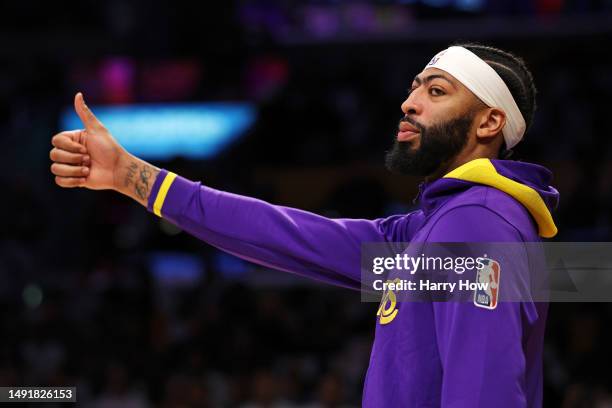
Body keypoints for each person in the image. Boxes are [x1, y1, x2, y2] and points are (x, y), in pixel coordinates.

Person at [50, 43, 559, 407]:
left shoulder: (474, 225)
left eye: (437, 90)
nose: (409, 102)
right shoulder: (433, 228)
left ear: (488, 123)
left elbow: (485, 392)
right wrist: (132, 177)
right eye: (414, 88)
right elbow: (281, 233)